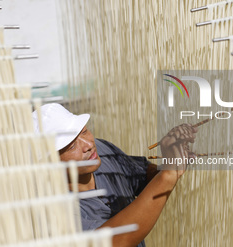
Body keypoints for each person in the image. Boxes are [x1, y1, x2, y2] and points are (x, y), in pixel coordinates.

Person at [32, 103, 198, 247]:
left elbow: (142, 177)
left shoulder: (100, 151)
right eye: (71, 146)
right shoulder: (51, 211)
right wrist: (169, 174)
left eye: (84, 132)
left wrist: (173, 158)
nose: (89, 144)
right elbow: (115, 242)